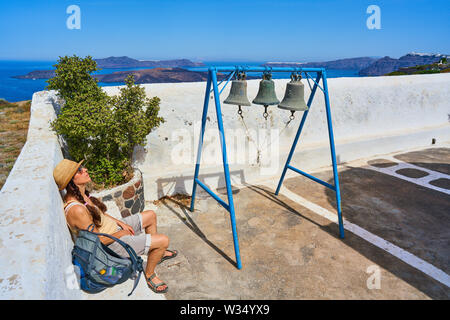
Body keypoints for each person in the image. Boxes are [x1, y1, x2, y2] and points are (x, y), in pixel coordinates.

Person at [53, 158, 177, 294]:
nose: (85, 170)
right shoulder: (76, 209)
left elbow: (101, 214)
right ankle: (150, 274)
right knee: (163, 240)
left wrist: (121, 223)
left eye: (82, 167)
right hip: (111, 245)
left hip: (115, 231)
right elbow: (97, 242)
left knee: (151, 215)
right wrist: (121, 234)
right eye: (79, 171)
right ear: (71, 181)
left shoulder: (82, 196)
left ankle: (156, 253)